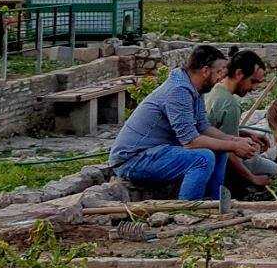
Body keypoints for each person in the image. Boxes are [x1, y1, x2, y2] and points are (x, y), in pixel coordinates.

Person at [108, 44, 260, 200]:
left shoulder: (195, 89)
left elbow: (203, 126)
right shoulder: (178, 91)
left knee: (220, 150)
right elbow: (190, 141)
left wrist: (235, 140)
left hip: (156, 152)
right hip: (133, 159)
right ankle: (189, 208)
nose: (222, 76)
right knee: (203, 158)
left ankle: (214, 202)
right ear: (205, 71)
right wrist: (234, 146)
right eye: (219, 71)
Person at [205, 49, 277, 188]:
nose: (254, 88)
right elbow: (228, 151)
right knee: (275, 171)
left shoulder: (215, 89)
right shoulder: (229, 104)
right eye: (252, 82)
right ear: (239, 73)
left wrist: (246, 133)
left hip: (209, 153)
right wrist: (253, 178)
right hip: (218, 162)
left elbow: (218, 130)